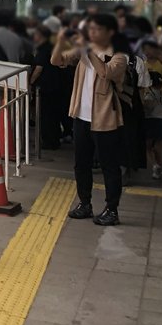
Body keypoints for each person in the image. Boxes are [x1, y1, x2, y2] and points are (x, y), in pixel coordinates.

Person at [52, 13, 129, 226]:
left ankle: (112, 209)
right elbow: (56, 61)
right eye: (90, 29)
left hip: (105, 119)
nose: (91, 33)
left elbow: (105, 73)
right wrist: (60, 41)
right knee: (81, 164)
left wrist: (88, 51)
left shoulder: (119, 56)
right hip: (81, 116)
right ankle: (84, 203)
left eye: (96, 29)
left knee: (109, 166)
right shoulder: (83, 51)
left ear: (110, 32)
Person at [142, 72, 162, 181]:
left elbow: (146, 109)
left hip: (150, 122)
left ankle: (154, 165)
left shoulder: (147, 96)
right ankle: (159, 167)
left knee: (147, 147)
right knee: (159, 148)